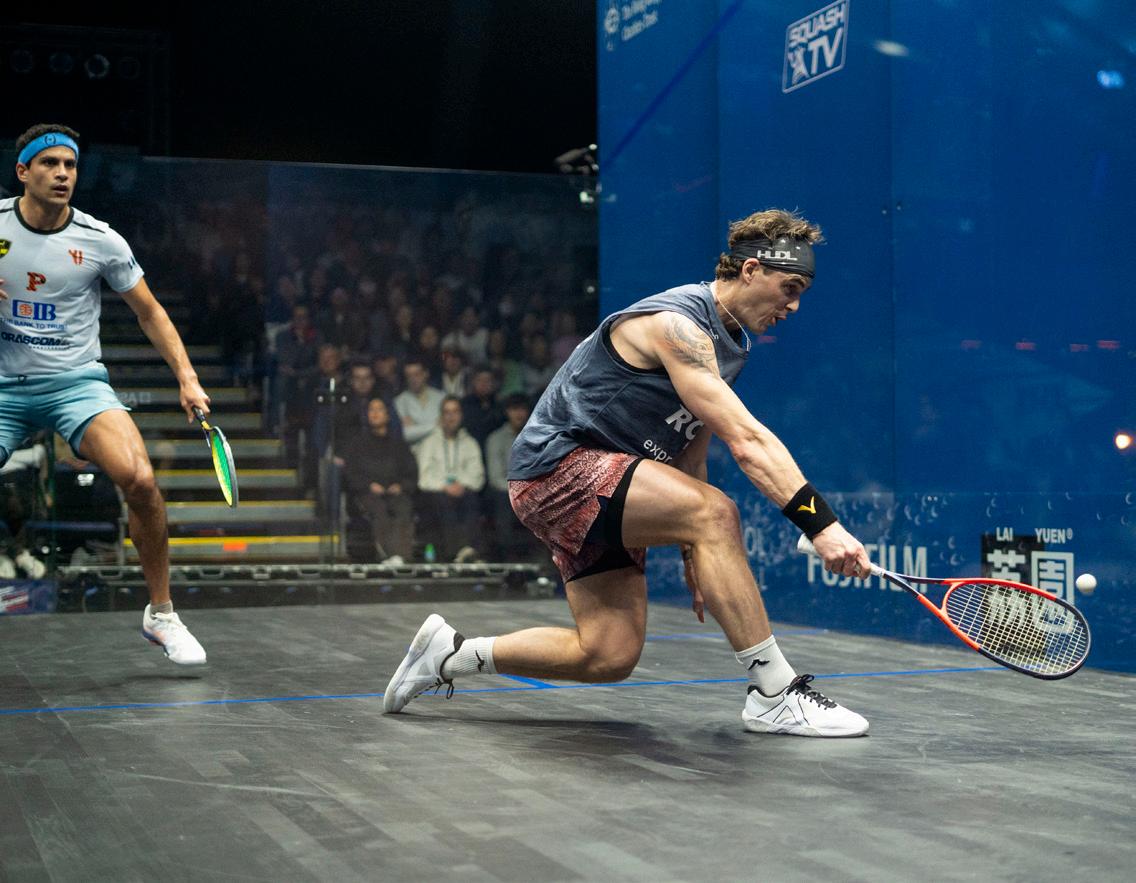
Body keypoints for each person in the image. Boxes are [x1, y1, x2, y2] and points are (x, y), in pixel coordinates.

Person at [384, 208, 873, 737]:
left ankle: (450, 654)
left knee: (607, 653)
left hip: (610, 484)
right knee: (716, 513)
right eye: (789, 288)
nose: (794, 306)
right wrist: (822, 526)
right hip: (558, 470)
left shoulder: (730, 346)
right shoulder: (677, 324)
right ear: (751, 270)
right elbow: (748, 442)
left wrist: (693, 550)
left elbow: (690, 453)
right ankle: (775, 694)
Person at [0, 123, 207, 664]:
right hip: (4, 387)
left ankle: (161, 614)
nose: (62, 174)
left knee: (140, 480)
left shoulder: (101, 240)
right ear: (22, 171)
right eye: (49, 164)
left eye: (69, 165)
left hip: (77, 385)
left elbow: (150, 312)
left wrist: (187, 377)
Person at [340, 398, 418, 565]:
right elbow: (350, 473)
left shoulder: (399, 444)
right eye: (371, 410)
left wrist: (401, 486)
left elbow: (411, 473)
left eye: (379, 409)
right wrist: (368, 485)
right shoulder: (357, 444)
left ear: (387, 415)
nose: (375, 413)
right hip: (366, 493)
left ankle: (401, 557)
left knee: (403, 507)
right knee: (379, 509)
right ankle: (387, 556)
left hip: (395, 492)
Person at [414, 396, 485, 563]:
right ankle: (457, 551)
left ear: (461, 415)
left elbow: (478, 475)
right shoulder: (429, 443)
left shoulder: (470, 443)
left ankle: (469, 550)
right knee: (443, 500)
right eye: (447, 412)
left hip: (463, 491)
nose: (451, 417)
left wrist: (460, 484)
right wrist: (444, 486)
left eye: (455, 412)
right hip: (436, 493)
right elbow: (423, 478)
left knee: (471, 498)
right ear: (441, 416)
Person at [483, 394, 539, 561]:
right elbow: (495, 477)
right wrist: (517, 490)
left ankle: (539, 560)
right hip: (504, 491)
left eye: (522, 409)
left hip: (531, 490)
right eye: (514, 409)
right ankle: (508, 556)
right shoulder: (495, 438)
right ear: (507, 412)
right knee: (502, 500)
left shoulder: (537, 437)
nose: (519, 414)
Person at [394, 358, 445, 449]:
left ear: (426, 374)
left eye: (417, 374)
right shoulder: (399, 402)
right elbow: (404, 434)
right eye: (409, 376)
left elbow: (447, 429)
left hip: (439, 450)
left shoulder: (442, 398)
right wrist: (435, 426)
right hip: (413, 454)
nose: (413, 379)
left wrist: (415, 429)